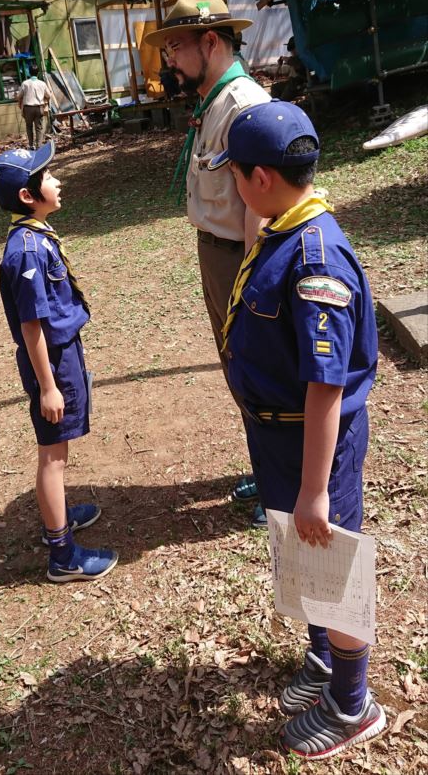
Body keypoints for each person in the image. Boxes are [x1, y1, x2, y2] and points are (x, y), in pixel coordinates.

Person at [210, 101, 385, 759]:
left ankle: (352, 702)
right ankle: (324, 659)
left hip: (315, 444)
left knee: (330, 564)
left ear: (258, 178)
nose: (231, 184)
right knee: (302, 551)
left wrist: (316, 486)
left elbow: (326, 384)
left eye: (234, 173)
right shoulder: (284, 224)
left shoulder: (316, 258)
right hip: (280, 436)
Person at [144, 0, 270, 523]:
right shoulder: (214, 101)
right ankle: (269, 470)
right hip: (216, 254)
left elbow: (261, 210)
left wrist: (254, 285)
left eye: (176, 47)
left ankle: (281, 485)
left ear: (210, 41)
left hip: (239, 260)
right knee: (240, 370)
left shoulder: (243, 107)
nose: (169, 59)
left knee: (260, 368)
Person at [0, 143, 118, 582]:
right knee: (53, 455)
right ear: (28, 195)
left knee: (58, 449)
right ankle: (61, 553)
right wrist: (48, 386)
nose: (57, 181)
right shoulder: (26, 251)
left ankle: (60, 517)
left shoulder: (36, 237)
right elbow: (32, 327)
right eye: (48, 177)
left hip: (62, 354)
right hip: (51, 361)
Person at [17, 65, 50, 149]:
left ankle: (31, 145)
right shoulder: (42, 83)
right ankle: (39, 146)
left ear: (29, 72)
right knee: (39, 128)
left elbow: (19, 96)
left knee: (29, 126)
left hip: (28, 108)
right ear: (38, 73)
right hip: (39, 108)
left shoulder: (25, 83)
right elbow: (48, 95)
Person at [271, 36, 307, 101]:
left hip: (299, 84)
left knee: (283, 99)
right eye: (291, 51)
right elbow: (275, 76)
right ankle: (277, 104)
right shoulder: (294, 59)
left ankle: (281, 106)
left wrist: (285, 59)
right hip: (292, 83)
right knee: (275, 87)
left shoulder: (305, 57)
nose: (292, 53)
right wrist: (279, 66)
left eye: (293, 50)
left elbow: (298, 64)